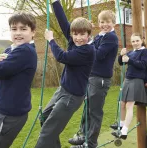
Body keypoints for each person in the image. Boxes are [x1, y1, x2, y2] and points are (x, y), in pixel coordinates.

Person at [34, 0, 95, 148]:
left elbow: (62, 57)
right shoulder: (75, 42)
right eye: (75, 34)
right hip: (63, 90)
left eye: (82, 34)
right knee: (44, 117)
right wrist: (55, 3)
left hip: (72, 97)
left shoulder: (87, 50)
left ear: (89, 34)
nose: (78, 37)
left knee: (47, 131)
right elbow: (63, 22)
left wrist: (51, 41)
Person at [68, 9, 119, 148]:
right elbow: (90, 47)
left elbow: (98, 54)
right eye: (102, 22)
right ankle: (83, 136)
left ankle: (90, 143)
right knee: (87, 108)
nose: (105, 24)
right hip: (92, 76)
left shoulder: (111, 37)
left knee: (94, 112)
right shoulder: (99, 36)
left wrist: (88, 43)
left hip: (100, 78)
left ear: (114, 23)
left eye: (108, 22)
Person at [0, 12, 37, 148]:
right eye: (14, 29)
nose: (18, 33)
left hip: (10, 114)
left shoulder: (25, 51)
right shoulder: (12, 48)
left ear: (33, 32)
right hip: (4, 108)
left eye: (23, 29)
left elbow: (0, 71)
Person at [111, 33, 147, 140]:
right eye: (133, 41)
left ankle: (124, 131)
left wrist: (129, 60)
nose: (135, 43)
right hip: (127, 79)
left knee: (129, 105)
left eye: (137, 41)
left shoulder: (145, 51)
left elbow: (143, 65)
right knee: (122, 103)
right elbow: (120, 62)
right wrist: (121, 55)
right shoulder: (131, 52)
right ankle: (121, 125)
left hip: (137, 80)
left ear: (142, 40)